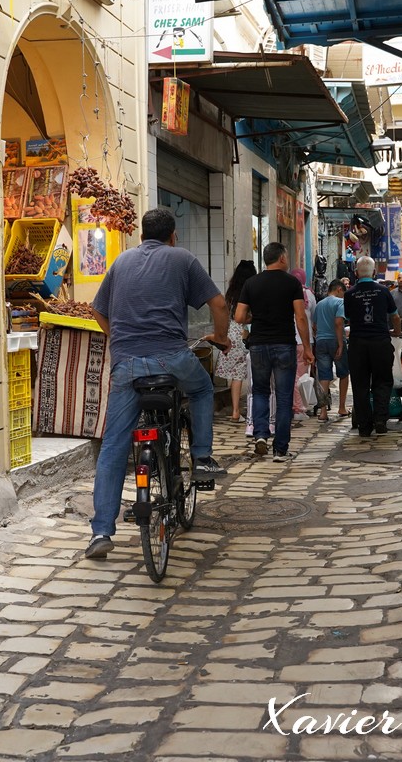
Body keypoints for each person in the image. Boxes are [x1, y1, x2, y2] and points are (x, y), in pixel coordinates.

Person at [86, 208, 230, 559]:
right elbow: (219, 303)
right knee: (202, 389)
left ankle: (101, 532)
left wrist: (118, 340)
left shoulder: (120, 262)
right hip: (172, 358)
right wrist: (222, 338)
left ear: (140, 236)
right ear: (173, 235)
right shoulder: (182, 258)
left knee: (113, 447)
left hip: (127, 366)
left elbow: (97, 310)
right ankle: (200, 458)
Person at [236, 242, 314, 463]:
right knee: (283, 396)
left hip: (259, 345)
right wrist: (307, 348)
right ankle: (280, 449)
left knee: (260, 391)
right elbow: (300, 317)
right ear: (281, 258)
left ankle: (261, 434)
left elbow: (240, 316)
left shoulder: (251, 283)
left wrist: (255, 317)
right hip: (284, 345)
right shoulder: (291, 283)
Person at [343, 256, 400, 437]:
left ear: (356, 273)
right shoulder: (384, 291)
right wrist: (396, 332)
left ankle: (364, 426)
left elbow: (349, 317)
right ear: (374, 272)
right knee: (382, 381)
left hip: (358, 344)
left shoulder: (349, 294)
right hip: (380, 343)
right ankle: (381, 420)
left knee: (360, 385)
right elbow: (395, 317)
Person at [216, 260, 256, 421]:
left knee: (235, 376)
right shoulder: (251, 291)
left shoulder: (231, 293)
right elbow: (245, 317)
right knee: (241, 374)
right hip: (242, 334)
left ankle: (235, 410)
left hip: (229, 333)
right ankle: (237, 411)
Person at [311, 278, 350, 422]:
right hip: (335, 340)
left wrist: (319, 336)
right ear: (339, 289)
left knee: (324, 376)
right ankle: (341, 407)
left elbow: (314, 326)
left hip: (321, 342)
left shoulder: (319, 304)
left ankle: (323, 412)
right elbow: (339, 323)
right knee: (343, 373)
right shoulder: (340, 302)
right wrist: (340, 343)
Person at [290, 269, 317, 419]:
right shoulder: (309, 295)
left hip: (288, 340)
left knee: (291, 375)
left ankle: (292, 405)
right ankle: (299, 408)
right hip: (305, 342)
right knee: (301, 376)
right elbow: (313, 317)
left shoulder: (286, 292)